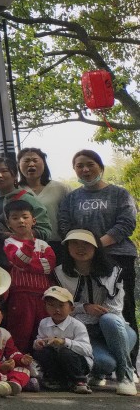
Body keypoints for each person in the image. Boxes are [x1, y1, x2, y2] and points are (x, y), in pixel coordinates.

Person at [57, 149, 138, 354]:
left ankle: (128, 361)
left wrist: (96, 245)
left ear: (100, 167)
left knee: (123, 309)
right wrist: (83, 247)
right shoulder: (71, 198)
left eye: (90, 164)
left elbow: (126, 223)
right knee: (89, 309)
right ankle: (98, 359)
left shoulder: (119, 194)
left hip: (118, 256)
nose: (85, 169)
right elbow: (64, 225)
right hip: (83, 260)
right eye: (79, 166)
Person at [53, 229, 137, 395]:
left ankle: (126, 374)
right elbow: (61, 308)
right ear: (67, 247)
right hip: (87, 333)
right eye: (74, 243)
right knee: (105, 363)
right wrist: (84, 307)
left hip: (118, 331)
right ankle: (99, 373)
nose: (80, 248)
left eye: (86, 244)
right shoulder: (60, 273)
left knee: (109, 319)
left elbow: (115, 309)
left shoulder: (113, 271)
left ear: (96, 247)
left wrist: (91, 310)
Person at [2, 199, 57, 353]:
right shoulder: (9, 242)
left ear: (34, 220)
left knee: (44, 332)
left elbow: (49, 267)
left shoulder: (44, 244)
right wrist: (29, 248)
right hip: (20, 295)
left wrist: (26, 264)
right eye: (15, 217)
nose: (21, 221)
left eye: (25, 217)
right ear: (8, 223)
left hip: (43, 296)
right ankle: (19, 360)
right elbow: (19, 261)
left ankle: (42, 362)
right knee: (20, 332)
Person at [34, 285, 93, 394]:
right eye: (51, 305)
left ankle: (79, 381)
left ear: (71, 309)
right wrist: (38, 343)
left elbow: (87, 350)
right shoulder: (44, 323)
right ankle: (54, 379)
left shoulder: (77, 325)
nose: (56, 310)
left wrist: (65, 342)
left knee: (65, 352)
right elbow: (39, 338)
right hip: (57, 361)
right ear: (45, 307)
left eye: (61, 306)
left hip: (78, 363)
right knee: (43, 352)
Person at [0, 156, 51, 241]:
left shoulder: (28, 199)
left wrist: (16, 236)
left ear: (15, 175)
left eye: (4, 171)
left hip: (24, 248)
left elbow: (45, 230)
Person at [17, 147, 70, 234]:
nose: (31, 164)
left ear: (44, 163)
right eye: (26, 161)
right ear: (19, 165)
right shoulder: (14, 190)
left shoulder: (61, 188)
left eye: (35, 160)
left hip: (57, 240)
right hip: (24, 241)